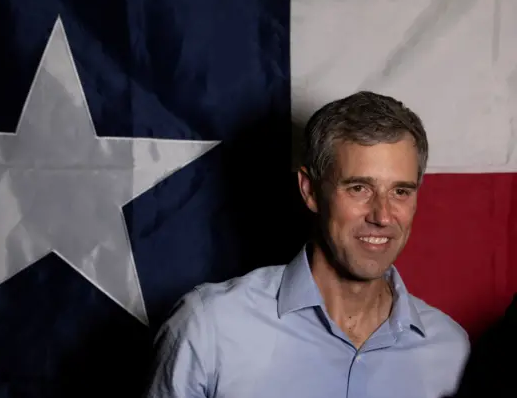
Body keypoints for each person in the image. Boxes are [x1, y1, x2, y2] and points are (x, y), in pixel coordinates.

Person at [142, 91, 470, 398]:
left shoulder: (451, 351)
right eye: (359, 188)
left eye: (400, 191)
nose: (382, 216)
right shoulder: (210, 328)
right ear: (310, 191)